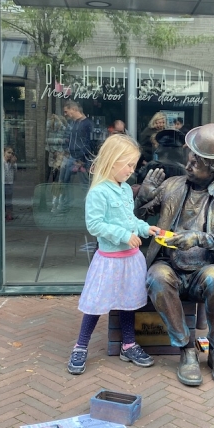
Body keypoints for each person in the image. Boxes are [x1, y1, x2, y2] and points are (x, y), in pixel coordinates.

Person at [135, 123, 214, 386]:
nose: (188, 165)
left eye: (196, 163)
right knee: (157, 276)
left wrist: (199, 238)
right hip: (170, 266)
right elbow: (138, 220)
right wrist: (142, 198)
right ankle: (186, 348)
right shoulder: (172, 185)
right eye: (190, 158)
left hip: (204, 271)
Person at [67, 134, 161, 375]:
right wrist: (123, 235)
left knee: (129, 302)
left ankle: (128, 345)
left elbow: (130, 219)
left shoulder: (126, 189)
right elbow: (95, 225)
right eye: (128, 164)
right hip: (109, 261)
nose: (131, 170)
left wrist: (145, 228)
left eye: (133, 165)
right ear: (112, 160)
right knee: (95, 304)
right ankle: (80, 346)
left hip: (131, 259)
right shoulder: (98, 192)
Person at [57, 100, 95, 213]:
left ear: (73, 109)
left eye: (66, 111)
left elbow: (90, 143)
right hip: (71, 156)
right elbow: (70, 139)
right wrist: (66, 150)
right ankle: (65, 205)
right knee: (65, 181)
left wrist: (82, 159)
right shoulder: (73, 123)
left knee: (85, 184)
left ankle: (89, 209)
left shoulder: (87, 124)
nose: (65, 114)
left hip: (82, 158)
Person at [3, 146, 17, 221]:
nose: (10, 155)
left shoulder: (12, 163)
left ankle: (9, 215)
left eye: (12, 153)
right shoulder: (2, 162)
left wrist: (13, 164)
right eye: (8, 152)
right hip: (3, 183)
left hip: (9, 183)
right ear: (4, 153)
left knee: (9, 200)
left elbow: (15, 174)